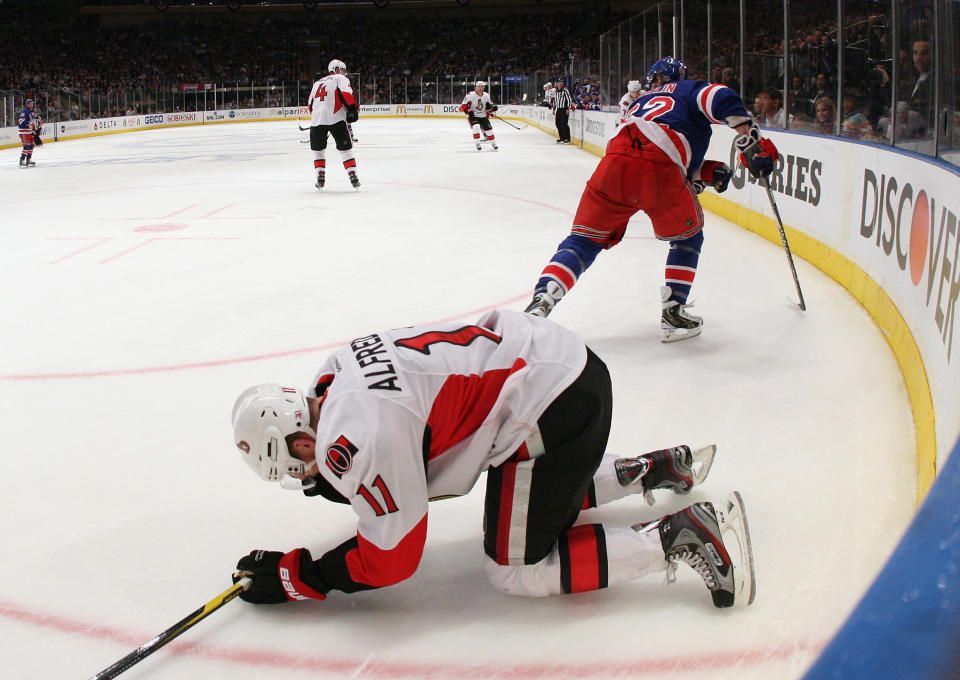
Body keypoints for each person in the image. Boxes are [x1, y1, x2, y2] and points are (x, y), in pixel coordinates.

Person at [229, 309, 755, 607]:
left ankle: (675, 536)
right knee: (535, 496)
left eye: (300, 467)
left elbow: (394, 556)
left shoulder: (355, 440)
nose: (309, 475)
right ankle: (648, 468)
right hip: (560, 364)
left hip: (554, 405)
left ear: (301, 443)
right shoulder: (335, 368)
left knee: (516, 570)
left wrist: (298, 577)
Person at [523, 57, 779, 343]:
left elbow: (653, 148)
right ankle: (674, 312)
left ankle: (543, 298)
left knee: (583, 241)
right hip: (659, 169)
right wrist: (748, 137)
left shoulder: (638, 103)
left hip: (613, 165)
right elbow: (720, 96)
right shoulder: (687, 90)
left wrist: (706, 171)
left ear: (654, 79)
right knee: (688, 238)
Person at [307, 60, 360, 191]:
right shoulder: (340, 78)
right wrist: (353, 109)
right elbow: (347, 94)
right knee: (345, 150)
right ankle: (352, 175)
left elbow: (310, 105)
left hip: (317, 122)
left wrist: (319, 118)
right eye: (343, 69)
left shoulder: (317, 82)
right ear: (336, 69)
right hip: (336, 119)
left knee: (318, 151)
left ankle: (320, 176)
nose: (344, 73)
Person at [459, 80, 498, 151]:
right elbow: (463, 106)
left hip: (483, 115)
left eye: (482, 87)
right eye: (479, 86)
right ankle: (478, 143)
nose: (480, 88)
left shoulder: (486, 95)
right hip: (473, 115)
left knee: (489, 131)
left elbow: (490, 104)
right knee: (476, 127)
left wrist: (493, 108)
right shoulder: (470, 95)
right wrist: (468, 112)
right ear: (476, 88)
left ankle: (493, 144)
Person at [18, 98, 38, 168]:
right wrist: (30, 124)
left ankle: (28, 159)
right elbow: (21, 121)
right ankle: (22, 160)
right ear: (27, 104)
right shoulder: (24, 111)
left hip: (28, 131)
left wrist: (34, 125)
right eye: (30, 103)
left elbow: (32, 121)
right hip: (24, 131)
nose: (31, 105)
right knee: (26, 145)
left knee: (32, 144)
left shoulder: (30, 112)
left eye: (32, 103)